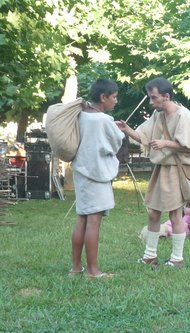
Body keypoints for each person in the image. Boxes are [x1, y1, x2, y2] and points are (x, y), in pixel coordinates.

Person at [116, 77, 190, 268]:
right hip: (161, 169)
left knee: (174, 216)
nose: (151, 102)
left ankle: (177, 259)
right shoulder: (158, 116)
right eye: (150, 98)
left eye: (154, 98)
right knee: (153, 214)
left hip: (176, 171)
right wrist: (126, 129)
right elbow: (143, 137)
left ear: (166, 96)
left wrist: (166, 143)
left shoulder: (183, 115)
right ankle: (150, 256)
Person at [70, 79, 125, 278]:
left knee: (82, 220)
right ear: (103, 97)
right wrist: (120, 130)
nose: (116, 101)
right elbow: (115, 142)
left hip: (81, 172)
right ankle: (93, 271)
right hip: (97, 175)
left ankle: (76, 268)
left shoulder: (81, 116)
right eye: (114, 97)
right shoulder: (103, 120)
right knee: (93, 222)